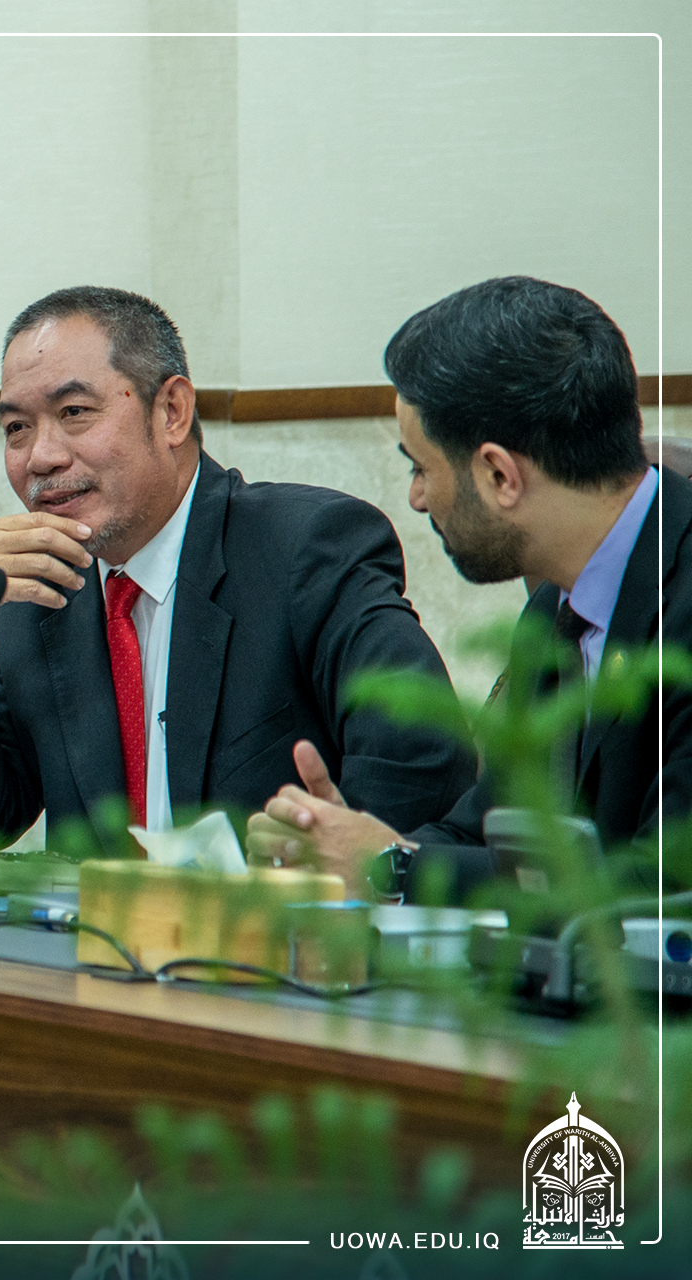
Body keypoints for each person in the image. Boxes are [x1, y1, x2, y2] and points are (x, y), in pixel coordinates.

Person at [0, 286, 472, 852]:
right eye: (16, 428)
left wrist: (352, 868)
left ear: (171, 412)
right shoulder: (39, 595)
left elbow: (424, 767)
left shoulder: (307, 548)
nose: (41, 457)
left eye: (74, 412)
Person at [245, 277, 688, 899]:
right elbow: (483, 833)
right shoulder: (556, 609)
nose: (416, 497)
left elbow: (662, 884)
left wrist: (393, 867)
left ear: (500, 474)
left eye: (420, 467)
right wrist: (346, 844)